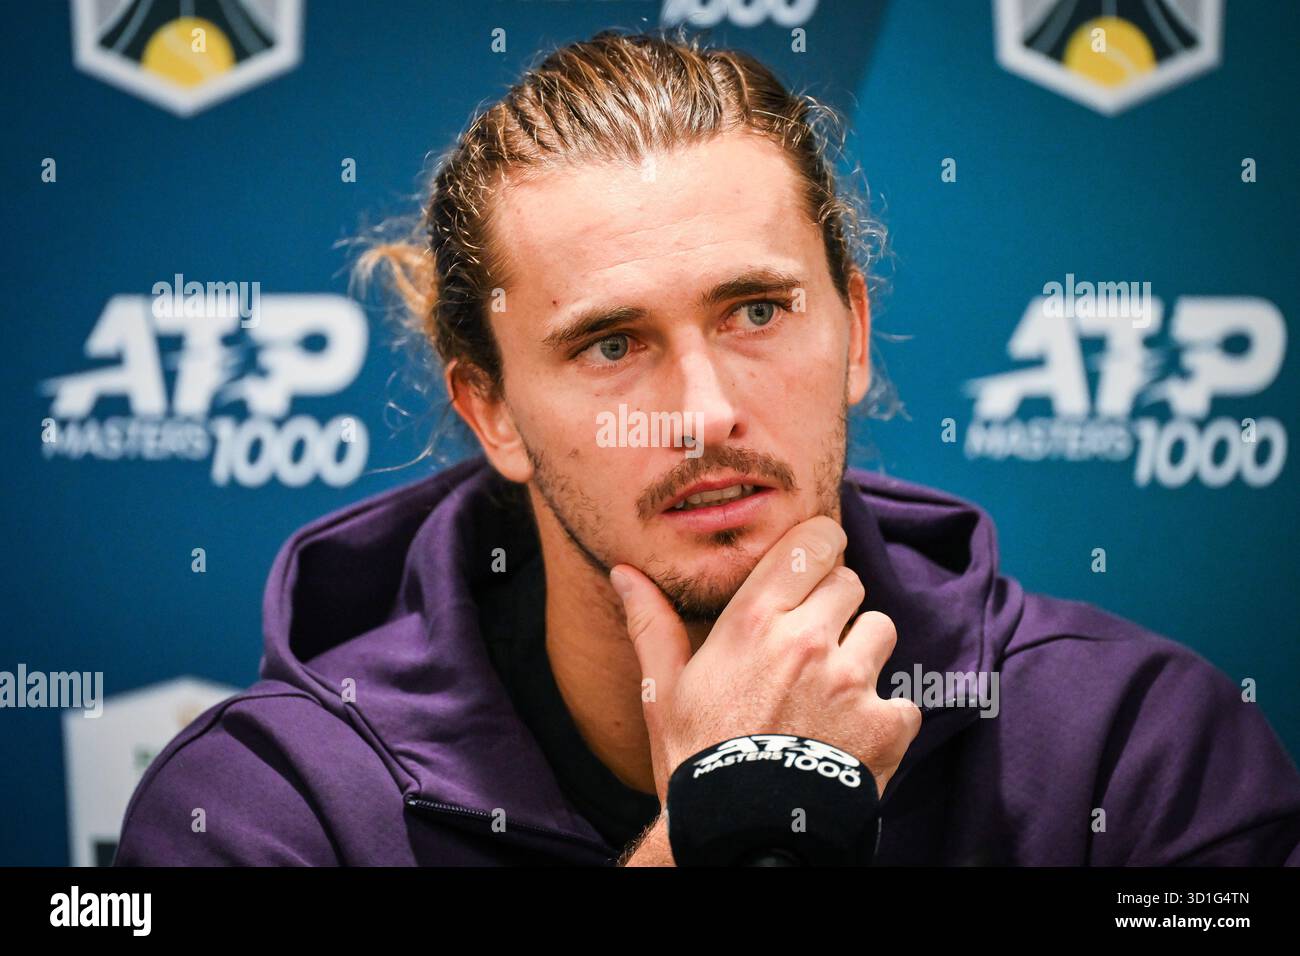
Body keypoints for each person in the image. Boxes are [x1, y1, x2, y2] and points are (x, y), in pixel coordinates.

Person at [115, 29, 1300, 866]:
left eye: (756, 311)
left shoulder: (1130, 748)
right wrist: (724, 827)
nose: (703, 410)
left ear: (854, 333)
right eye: (611, 342)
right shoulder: (266, 811)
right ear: (491, 413)